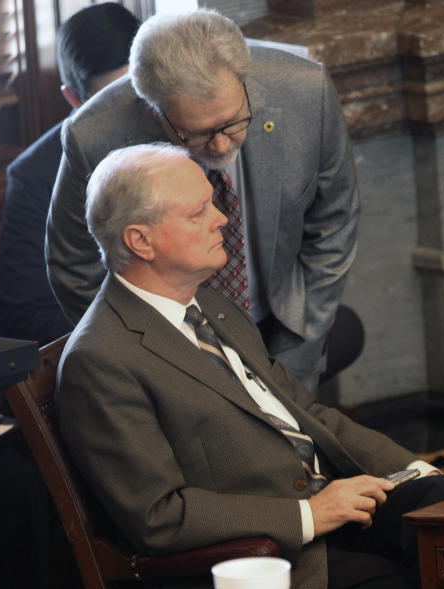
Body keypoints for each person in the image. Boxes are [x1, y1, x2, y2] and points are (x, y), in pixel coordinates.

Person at [56, 143, 444, 589]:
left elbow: (306, 412)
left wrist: (410, 472)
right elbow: (159, 516)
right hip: (269, 567)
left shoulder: (211, 305)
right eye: (198, 213)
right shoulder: (100, 360)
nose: (221, 219)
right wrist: (308, 514)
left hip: (334, 512)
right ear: (140, 241)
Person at [47, 9, 361, 389]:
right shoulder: (94, 137)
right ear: (155, 110)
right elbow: (74, 266)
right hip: (169, 351)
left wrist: (307, 334)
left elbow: (335, 222)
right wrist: (147, 354)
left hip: (283, 330)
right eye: (196, 134)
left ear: (244, 82)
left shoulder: (307, 93)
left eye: (232, 122)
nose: (220, 144)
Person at [0, 3, 140, 345]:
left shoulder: (196, 128)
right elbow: (27, 312)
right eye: (109, 101)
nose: (130, 116)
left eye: (138, 93)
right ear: (73, 99)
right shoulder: (35, 175)